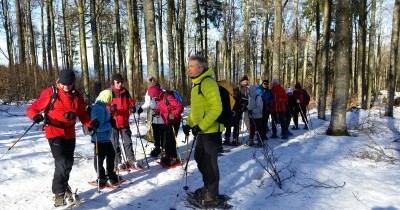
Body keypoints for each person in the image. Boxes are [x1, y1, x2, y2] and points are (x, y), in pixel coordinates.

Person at [26, 70, 99, 207]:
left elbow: (82, 114)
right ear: (59, 81)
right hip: (54, 131)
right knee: (62, 161)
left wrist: (90, 123)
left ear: (73, 83)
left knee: (68, 163)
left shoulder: (77, 96)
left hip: (70, 133)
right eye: (63, 83)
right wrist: (35, 116)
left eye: (69, 84)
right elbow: (32, 108)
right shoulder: (51, 93)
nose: (66, 86)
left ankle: (64, 186)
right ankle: (58, 192)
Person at [182, 55, 223, 206]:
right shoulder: (196, 84)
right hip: (202, 131)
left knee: (210, 163)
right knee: (200, 158)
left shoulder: (208, 83)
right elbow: (196, 111)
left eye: (191, 66)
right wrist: (189, 123)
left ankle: (212, 194)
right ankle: (208, 188)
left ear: (201, 68)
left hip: (211, 131)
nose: (189, 69)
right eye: (189, 66)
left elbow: (217, 108)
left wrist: (201, 126)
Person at [90, 89, 121, 187]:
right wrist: (110, 124)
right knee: (99, 159)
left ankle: (110, 175)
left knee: (111, 155)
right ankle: (102, 177)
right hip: (99, 139)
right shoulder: (98, 108)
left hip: (106, 138)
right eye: (110, 98)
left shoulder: (103, 107)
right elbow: (97, 128)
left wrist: (110, 120)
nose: (111, 100)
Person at [147, 85, 184, 166]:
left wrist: (173, 114)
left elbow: (180, 107)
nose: (152, 97)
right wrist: (157, 111)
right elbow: (163, 108)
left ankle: (173, 157)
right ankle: (168, 156)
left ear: (156, 93)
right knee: (167, 139)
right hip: (167, 121)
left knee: (171, 140)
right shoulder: (159, 98)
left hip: (174, 121)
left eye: (153, 95)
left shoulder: (168, 96)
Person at [109, 73, 138, 170]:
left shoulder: (125, 92)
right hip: (113, 122)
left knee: (128, 142)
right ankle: (117, 162)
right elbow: (103, 105)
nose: (120, 84)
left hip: (124, 121)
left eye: (121, 82)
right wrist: (110, 109)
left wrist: (132, 107)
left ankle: (131, 160)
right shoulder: (109, 92)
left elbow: (131, 102)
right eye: (118, 82)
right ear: (113, 82)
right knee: (115, 144)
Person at [138, 76, 166, 158]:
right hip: (154, 117)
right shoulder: (148, 92)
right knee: (156, 134)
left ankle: (164, 149)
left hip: (162, 116)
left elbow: (165, 103)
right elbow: (147, 103)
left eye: (151, 81)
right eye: (148, 82)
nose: (149, 83)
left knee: (163, 134)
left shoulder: (162, 91)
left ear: (154, 81)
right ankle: (157, 148)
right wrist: (141, 108)